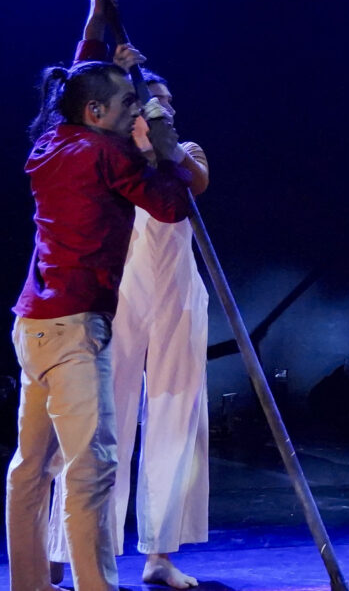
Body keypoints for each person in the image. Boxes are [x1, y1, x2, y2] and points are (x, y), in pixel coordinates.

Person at [6, 0, 194, 591]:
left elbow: (78, 87)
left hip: (33, 325)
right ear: (96, 113)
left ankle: (29, 584)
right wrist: (165, 142)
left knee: (31, 468)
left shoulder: (52, 141)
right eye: (127, 104)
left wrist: (93, 29)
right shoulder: (104, 155)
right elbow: (171, 204)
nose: (136, 108)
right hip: (74, 331)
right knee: (92, 469)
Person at [47, 57, 213, 591]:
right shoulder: (107, 157)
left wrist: (162, 143)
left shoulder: (184, 154)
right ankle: (70, 550)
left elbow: (194, 185)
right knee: (100, 421)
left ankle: (160, 553)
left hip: (178, 296)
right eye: (149, 102)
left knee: (175, 418)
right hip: (120, 292)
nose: (162, 109)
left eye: (166, 103)